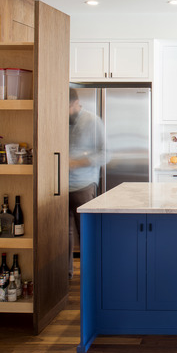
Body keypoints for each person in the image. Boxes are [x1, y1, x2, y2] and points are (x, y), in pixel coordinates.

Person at [69, 88, 105, 278]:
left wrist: (78, 163)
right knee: (60, 236)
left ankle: (90, 275)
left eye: (67, 108)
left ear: (76, 103)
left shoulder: (92, 121)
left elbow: (105, 153)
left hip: (83, 185)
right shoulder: (59, 118)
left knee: (86, 233)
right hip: (56, 187)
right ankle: (64, 275)